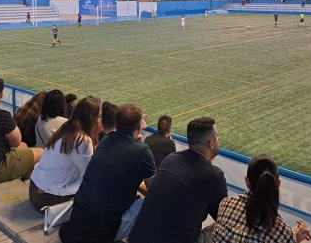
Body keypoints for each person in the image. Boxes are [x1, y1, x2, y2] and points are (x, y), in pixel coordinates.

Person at [59, 104, 156, 243]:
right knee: (153, 203)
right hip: (104, 230)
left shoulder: (106, 139)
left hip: (77, 223)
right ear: (139, 127)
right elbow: (154, 190)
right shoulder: (142, 150)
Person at [128, 116, 227, 243]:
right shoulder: (215, 176)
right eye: (217, 136)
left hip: (137, 238)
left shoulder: (171, 159)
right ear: (211, 144)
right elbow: (223, 219)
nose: (218, 139)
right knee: (217, 229)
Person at [213, 154, 311, 243]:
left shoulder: (226, 203)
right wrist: (292, 238)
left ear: (247, 181)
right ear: (278, 184)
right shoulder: (282, 233)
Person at [29, 96, 101, 211]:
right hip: (47, 198)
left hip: (36, 190)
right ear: (93, 118)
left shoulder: (67, 128)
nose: (100, 120)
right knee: (98, 186)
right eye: (99, 116)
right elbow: (90, 174)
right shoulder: (81, 139)